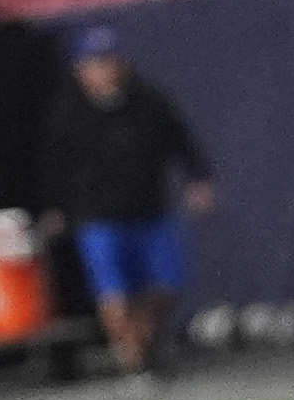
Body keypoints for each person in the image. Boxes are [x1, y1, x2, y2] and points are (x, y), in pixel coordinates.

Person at [38, 26, 211, 380]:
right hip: (99, 218)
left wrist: (198, 178)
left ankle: (143, 340)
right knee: (114, 292)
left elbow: (180, 138)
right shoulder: (69, 113)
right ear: (81, 70)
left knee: (166, 287)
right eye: (95, 63)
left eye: (109, 61)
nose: (104, 70)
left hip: (150, 210)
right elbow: (55, 164)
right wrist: (56, 207)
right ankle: (133, 361)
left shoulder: (149, 101)